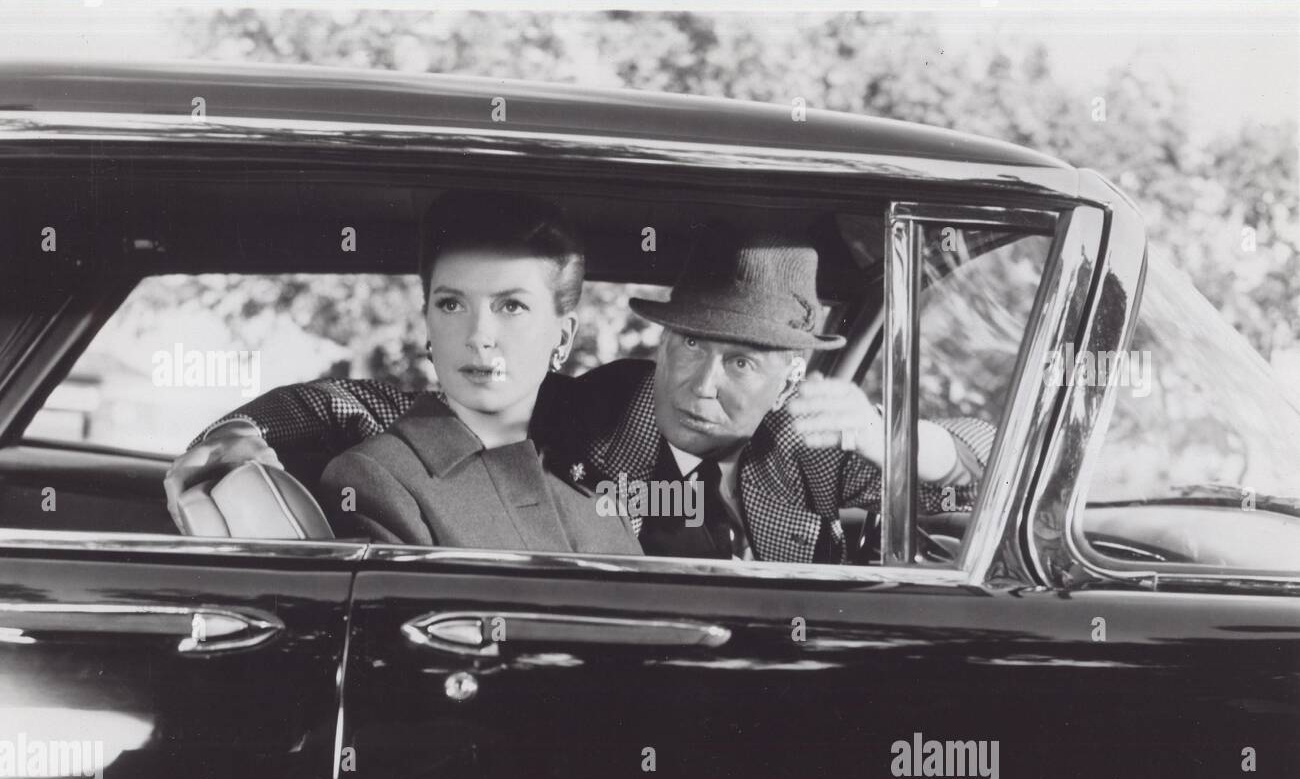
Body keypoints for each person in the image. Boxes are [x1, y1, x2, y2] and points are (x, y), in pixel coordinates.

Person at [168, 220, 993, 564]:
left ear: (788, 375)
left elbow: (999, 464)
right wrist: (241, 426)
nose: (702, 384)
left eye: (742, 363)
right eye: (689, 346)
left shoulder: (804, 445)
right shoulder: (589, 412)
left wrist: (904, 442)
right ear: (661, 340)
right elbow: (357, 404)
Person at [174, 190, 642, 554]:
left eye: (512, 306)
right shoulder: (379, 479)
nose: (479, 334)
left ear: (562, 338)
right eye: (452, 304)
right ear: (429, 322)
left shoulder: (597, 472)